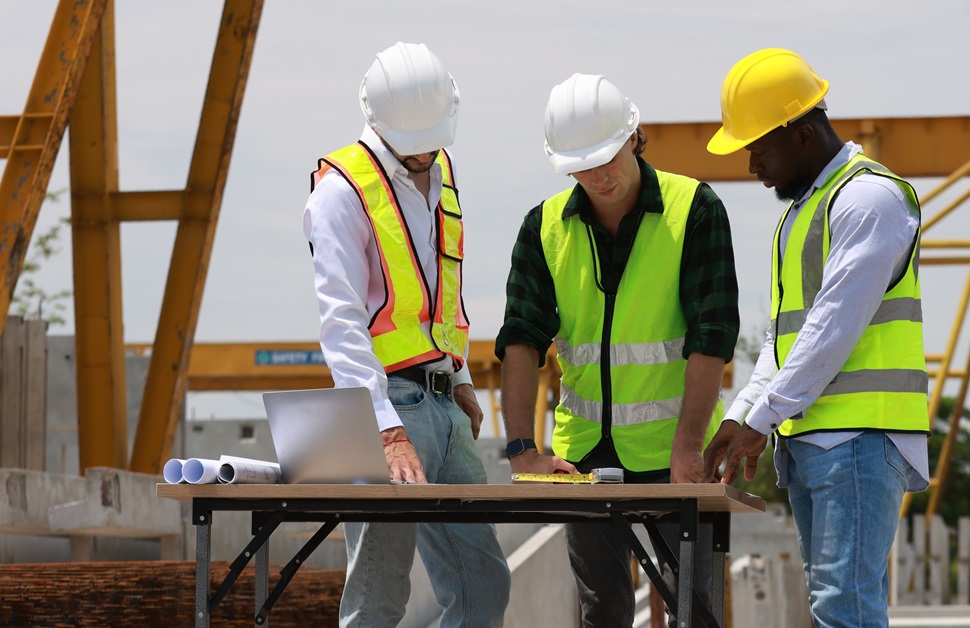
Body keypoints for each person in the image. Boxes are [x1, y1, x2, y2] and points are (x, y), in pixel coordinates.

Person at [496, 73, 740, 627]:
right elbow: (520, 338)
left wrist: (688, 450)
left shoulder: (695, 210)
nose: (599, 176)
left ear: (635, 136)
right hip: (582, 460)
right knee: (602, 611)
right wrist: (519, 450)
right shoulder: (544, 227)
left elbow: (712, 334)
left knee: (691, 612)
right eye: (581, 164)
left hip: (676, 452)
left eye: (607, 156)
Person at [702, 48, 930, 628]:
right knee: (836, 607)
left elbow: (834, 324)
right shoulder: (804, 212)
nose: (752, 165)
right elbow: (787, 340)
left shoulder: (868, 198)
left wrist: (763, 418)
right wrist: (744, 413)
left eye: (757, 147)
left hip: (857, 438)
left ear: (802, 133)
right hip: (817, 440)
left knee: (844, 609)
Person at [302, 42, 511, 627]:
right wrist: (385, 430)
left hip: (443, 402)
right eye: (411, 145)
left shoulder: (440, 174)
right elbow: (340, 321)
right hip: (387, 408)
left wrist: (461, 374)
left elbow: (441, 294)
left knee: (482, 584)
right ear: (375, 120)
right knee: (379, 596)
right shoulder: (341, 192)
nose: (423, 154)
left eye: (433, 141)